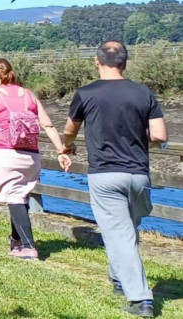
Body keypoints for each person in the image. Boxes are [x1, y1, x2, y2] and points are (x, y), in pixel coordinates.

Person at [62, 41, 167, 318]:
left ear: (96, 61)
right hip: (138, 176)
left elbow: (70, 129)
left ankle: (141, 299)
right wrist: (133, 137)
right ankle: (119, 278)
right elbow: (159, 136)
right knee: (125, 230)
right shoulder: (143, 92)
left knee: (119, 234)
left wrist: (67, 145)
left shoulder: (85, 94)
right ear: (126, 62)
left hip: (105, 174)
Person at [0, 58, 71, 261]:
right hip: (30, 155)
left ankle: (29, 246)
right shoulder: (29, 95)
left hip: (4, 154)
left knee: (14, 196)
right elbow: (48, 125)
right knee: (19, 195)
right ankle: (16, 240)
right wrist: (61, 151)